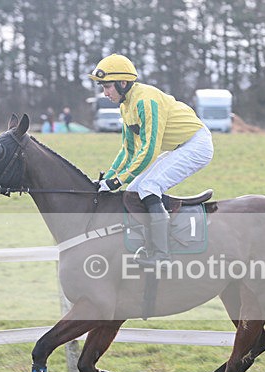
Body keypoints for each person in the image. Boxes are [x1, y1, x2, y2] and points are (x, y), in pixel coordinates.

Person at [89, 54, 214, 267]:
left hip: (197, 145)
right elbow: (128, 151)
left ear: (122, 83)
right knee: (134, 191)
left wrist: (117, 181)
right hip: (181, 146)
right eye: (103, 87)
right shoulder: (125, 106)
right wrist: (106, 180)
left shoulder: (146, 100)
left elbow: (148, 151)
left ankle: (162, 254)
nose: (105, 93)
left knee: (149, 186)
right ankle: (151, 241)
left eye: (107, 86)